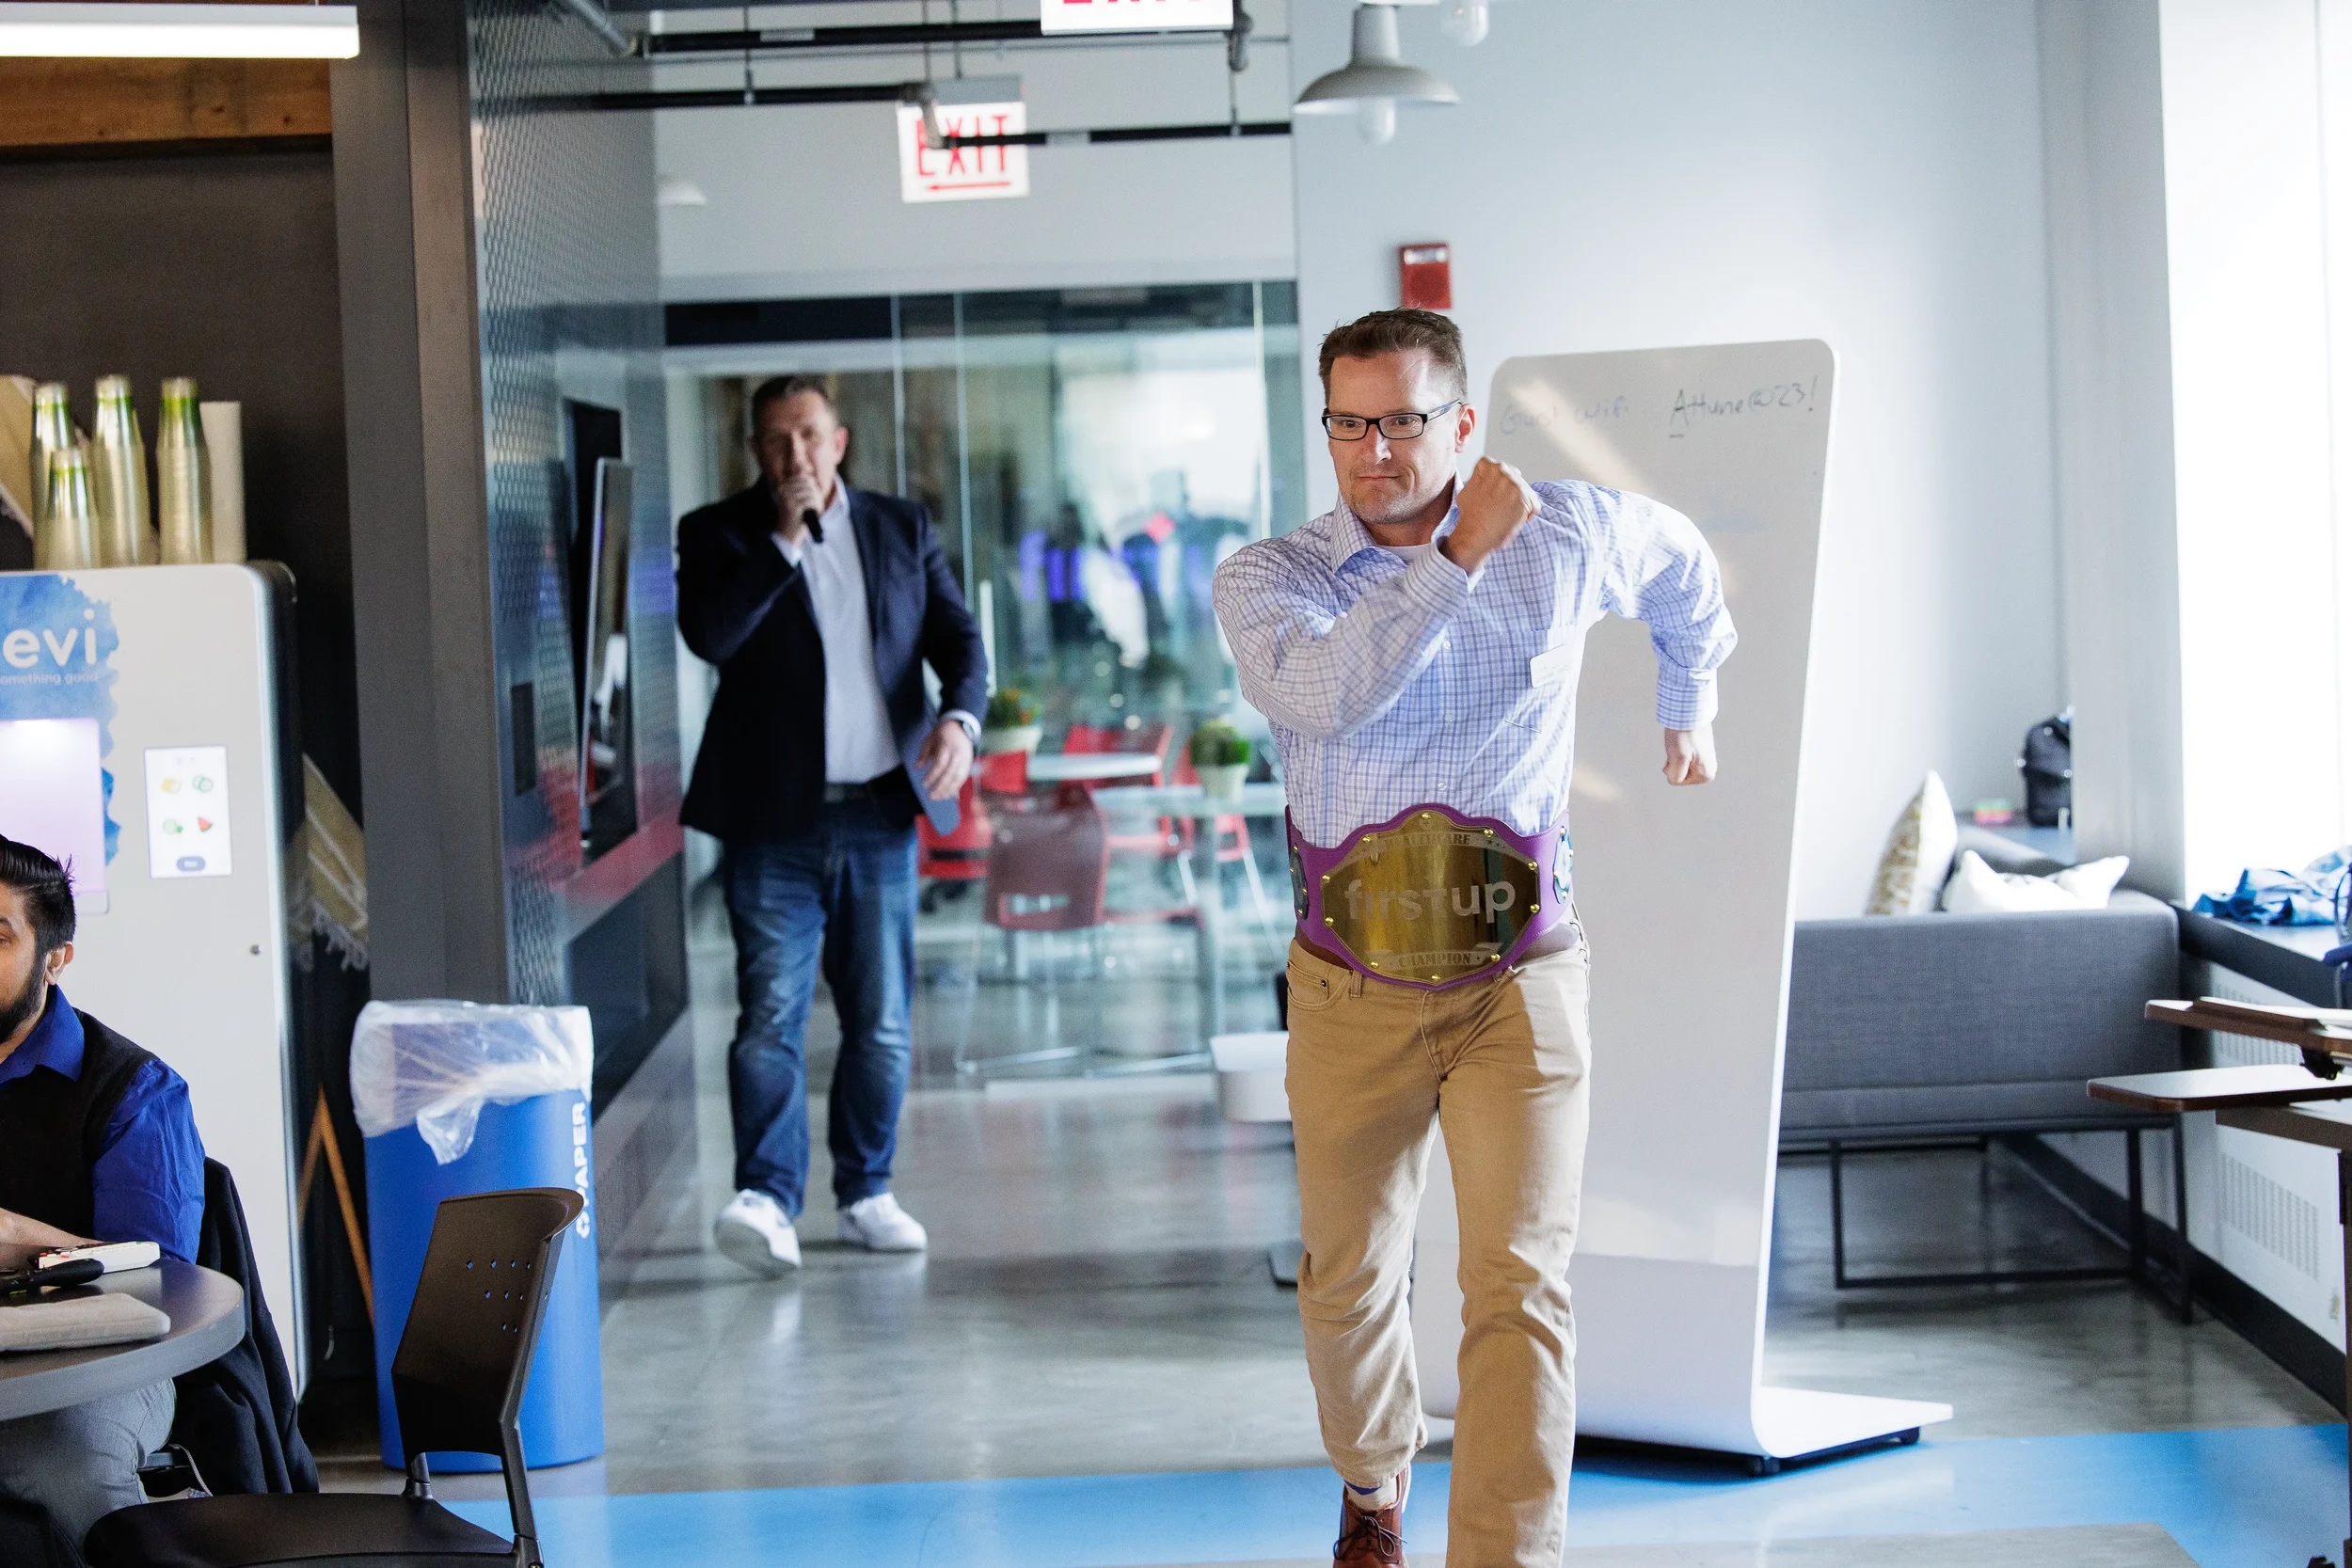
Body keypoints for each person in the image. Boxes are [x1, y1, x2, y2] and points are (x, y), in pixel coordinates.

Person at [1213, 309, 1735, 1568]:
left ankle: (1506, 1553)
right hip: (1347, 983)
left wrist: (1690, 695)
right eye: (1351, 421)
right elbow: (1330, 696)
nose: (1376, 450)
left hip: (1523, 974)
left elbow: (1681, 563)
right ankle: (1375, 1475)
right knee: (1346, 1278)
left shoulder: (1567, 531)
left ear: (1462, 423)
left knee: (1518, 1284)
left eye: (1403, 419)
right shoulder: (1269, 576)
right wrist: (1455, 558)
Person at [678, 375, 988, 1275]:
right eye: (776, 440)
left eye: (808, 435)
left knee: (881, 1018)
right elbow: (712, 634)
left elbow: (959, 641)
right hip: (770, 822)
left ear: (839, 440)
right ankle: (767, 1200)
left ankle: (866, 1192)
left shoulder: (901, 527)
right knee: (769, 1014)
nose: (795, 456)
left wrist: (960, 723)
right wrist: (783, 542)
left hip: (879, 814)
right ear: (755, 451)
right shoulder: (718, 533)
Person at [0, 834, 207, 1560]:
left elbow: (167, 1285)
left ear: (57, 957)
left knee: (63, 1459)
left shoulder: (132, 1089)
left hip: (102, 1370)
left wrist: (20, 1235)